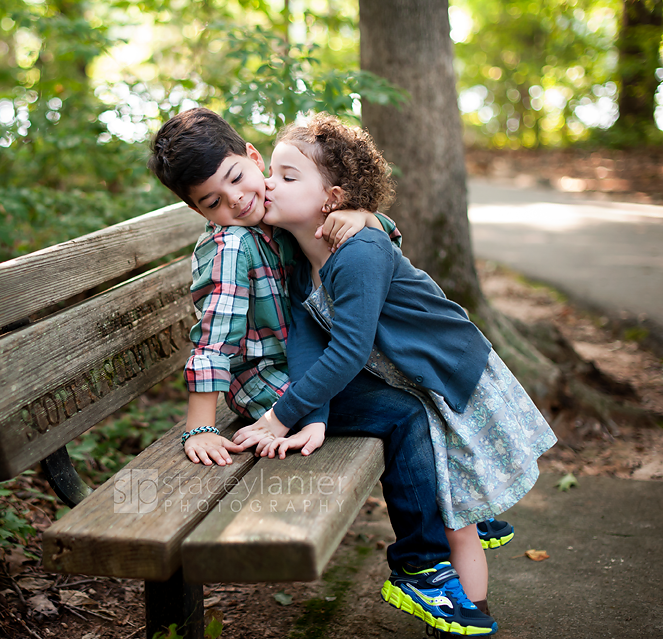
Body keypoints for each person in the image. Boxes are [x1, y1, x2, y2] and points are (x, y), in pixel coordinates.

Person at [148, 107, 500, 637]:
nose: (235, 201)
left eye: (236, 180)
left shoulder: (273, 214)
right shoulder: (232, 244)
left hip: (305, 369)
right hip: (273, 387)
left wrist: (363, 217)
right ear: (197, 209)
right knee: (404, 414)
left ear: (253, 159)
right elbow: (212, 338)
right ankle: (420, 565)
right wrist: (200, 422)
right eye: (211, 202)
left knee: (411, 397)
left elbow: (365, 237)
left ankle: (453, 498)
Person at [245, 112, 556, 636]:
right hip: (413, 382)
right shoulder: (299, 258)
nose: (269, 184)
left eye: (287, 175)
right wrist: (313, 415)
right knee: (451, 503)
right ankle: (459, 569)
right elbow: (306, 341)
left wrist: (282, 416)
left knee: (454, 516)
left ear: (332, 198)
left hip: (449, 379)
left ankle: (464, 611)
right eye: (271, 172)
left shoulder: (358, 252)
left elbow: (346, 352)